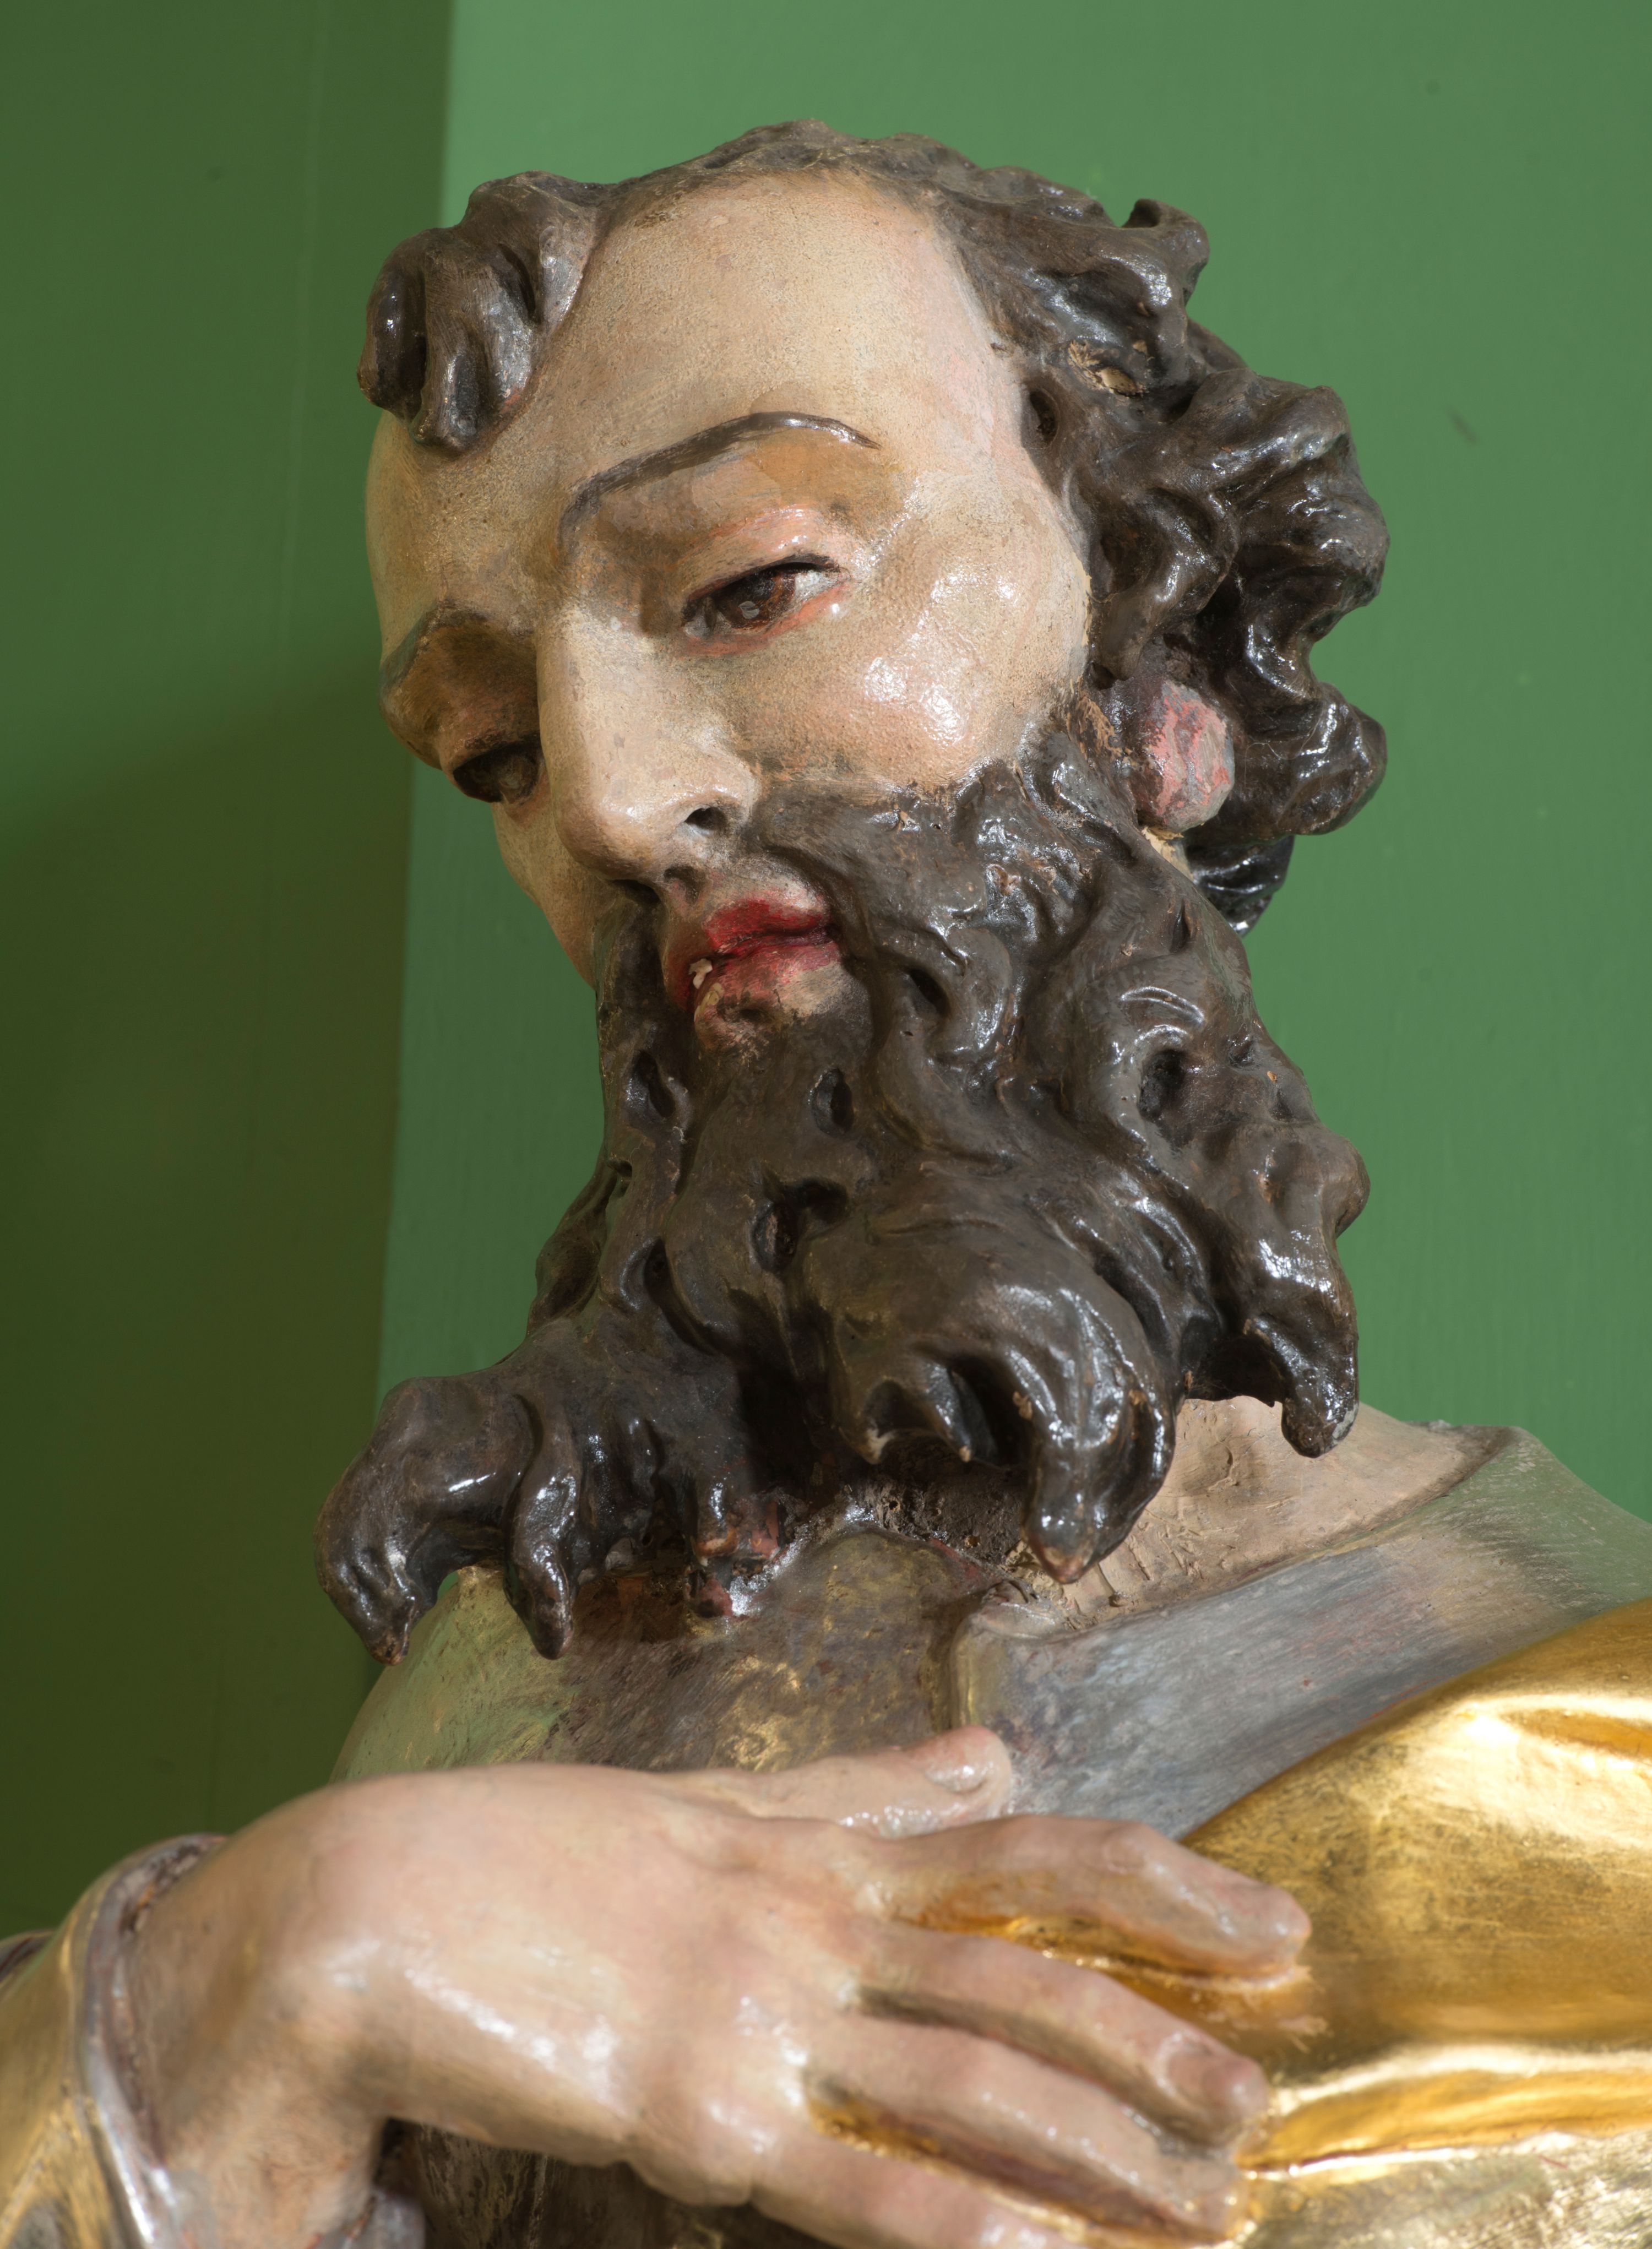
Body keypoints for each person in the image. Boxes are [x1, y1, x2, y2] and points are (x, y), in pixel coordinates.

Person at [4, 123, 1650, 2249]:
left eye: (753, 587)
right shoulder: (490, 1720)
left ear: (1160, 674)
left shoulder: (1582, 1738)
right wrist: (258, 1977)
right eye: (497, 751)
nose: (612, 803)